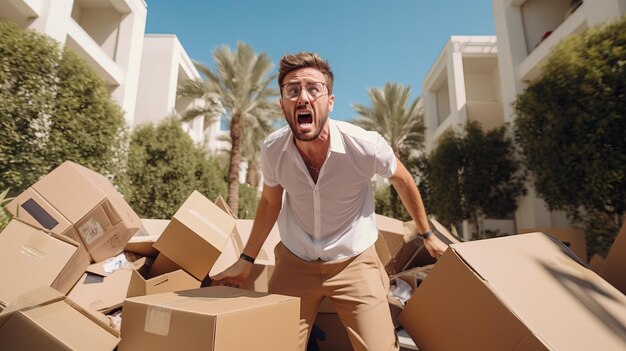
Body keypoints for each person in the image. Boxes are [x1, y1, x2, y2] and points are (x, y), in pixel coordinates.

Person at [212, 52, 448, 351]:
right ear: (282, 103)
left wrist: (427, 235)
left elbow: (402, 179)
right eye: (292, 90)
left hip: (355, 264)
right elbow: (270, 203)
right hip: (295, 264)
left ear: (330, 101)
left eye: (313, 89)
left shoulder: (365, 145)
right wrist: (246, 260)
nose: (303, 97)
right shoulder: (273, 149)